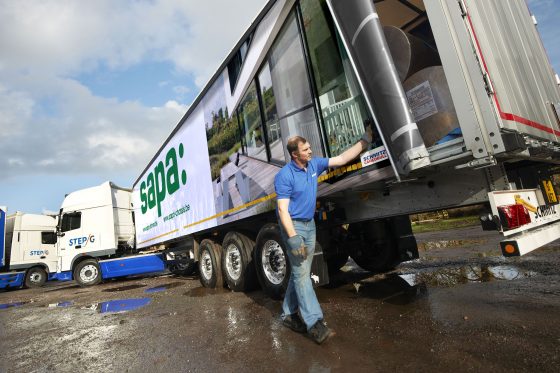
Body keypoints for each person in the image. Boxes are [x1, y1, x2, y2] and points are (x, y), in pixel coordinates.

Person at [274, 127, 372, 344]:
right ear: (294, 154)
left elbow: (342, 158)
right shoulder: (285, 176)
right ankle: (315, 323)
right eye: (306, 149)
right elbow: (282, 210)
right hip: (294, 228)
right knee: (301, 274)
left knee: (301, 272)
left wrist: (365, 140)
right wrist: (292, 238)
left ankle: (288, 314)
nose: (310, 151)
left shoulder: (313, 165)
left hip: (310, 225)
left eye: (309, 148)